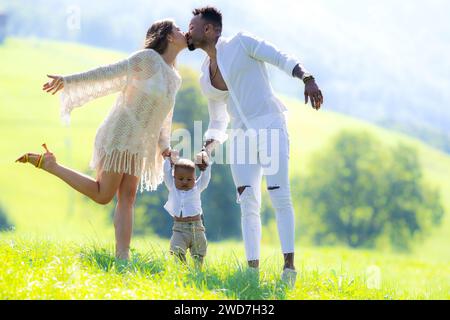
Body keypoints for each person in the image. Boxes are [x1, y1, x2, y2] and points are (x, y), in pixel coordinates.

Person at [15, 19, 187, 260]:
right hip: (120, 133)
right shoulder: (147, 59)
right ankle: (51, 165)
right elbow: (108, 73)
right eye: (178, 29)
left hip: (139, 145)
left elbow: (164, 117)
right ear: (168, 36)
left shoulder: (174, 78)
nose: (184, 31)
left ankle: (122, 259)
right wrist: (69, 81)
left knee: (128, 198)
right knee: (103, 195)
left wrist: (165, 147)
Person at [186, 6, 324, 288]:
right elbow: (217, 120)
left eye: (192, 26)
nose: (187, 32)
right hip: (239, 136)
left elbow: (279, 57)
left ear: (209, 30)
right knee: (248, 201)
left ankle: (289, 269)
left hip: (270, 123)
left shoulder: (241, 43)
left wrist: (307, 78)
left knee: (279, 194)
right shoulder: (204, 76)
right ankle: (251, 274)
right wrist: (206, 148)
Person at [162, 151, 211, 267]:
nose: (185, 182)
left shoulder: (197, 188)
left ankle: (197, 272)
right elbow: (166, 173)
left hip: (197, 227)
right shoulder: (172, 187)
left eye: (189, 179)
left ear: (195, 178)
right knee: (177, 251)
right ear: (174, 178)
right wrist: (169, 159)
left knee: (199, 253)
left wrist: (205, 164)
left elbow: (206, 177)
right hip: (179, 229)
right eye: (181, 178)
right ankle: (183, 270)